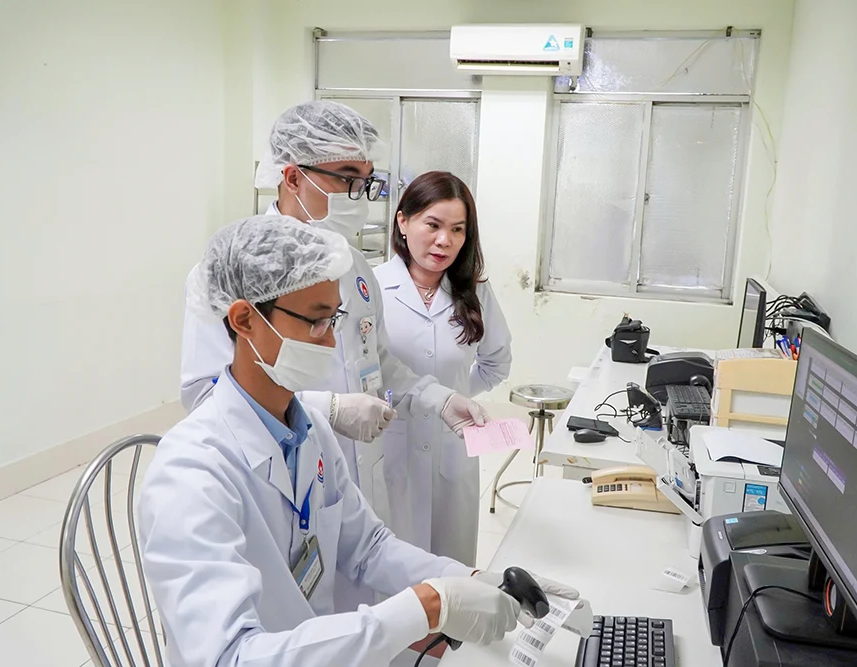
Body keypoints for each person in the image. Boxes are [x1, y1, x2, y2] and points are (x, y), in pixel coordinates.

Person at [140, 216, 579, 666]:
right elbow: (229, 657)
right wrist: (428, 608)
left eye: (334, 320)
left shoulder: (308, 429)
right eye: (316, 322)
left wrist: (467, 578)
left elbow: (369, 547)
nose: (332, 344)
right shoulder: (191, 475)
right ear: (245, 319)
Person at [179, 100, 487, 549]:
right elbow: (205, 394)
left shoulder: (355, 266)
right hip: (284, 477)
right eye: (346, 177)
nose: (358, 195)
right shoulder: (230, 268)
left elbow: (377, 360)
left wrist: (437, 399)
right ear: (292, 177)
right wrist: (330, 410)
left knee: (370, 571)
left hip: (365, 478)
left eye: (366, 181)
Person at [373, 172, 511, 566]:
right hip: (388, 443)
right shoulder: (371, 286)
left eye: (457, 229)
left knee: (452, 569)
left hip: (453, 448)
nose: (444, 240)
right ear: (403, 222)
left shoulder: (475, 291)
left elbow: (496, 363)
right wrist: (428, 401)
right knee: (392, 569)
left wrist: (455, 398)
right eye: (432, 225)